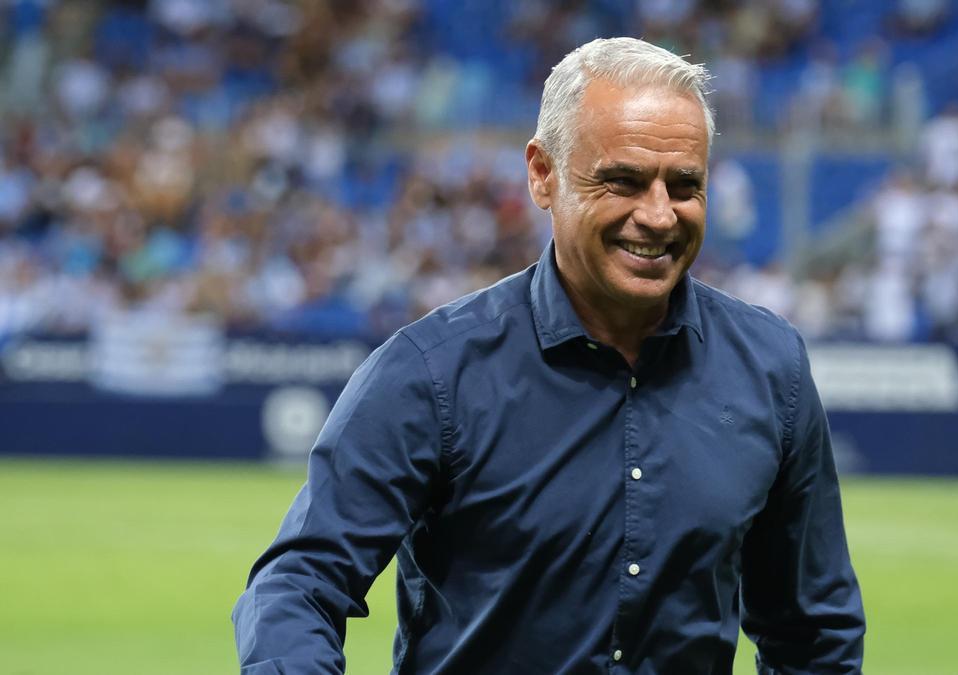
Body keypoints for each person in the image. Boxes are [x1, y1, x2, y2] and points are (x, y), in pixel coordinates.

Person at [233, 37, 865, 674]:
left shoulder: (770, 369)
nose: (658, 214)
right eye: (621, 181)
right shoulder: (431, 373)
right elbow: (299, 586)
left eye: (684, 185)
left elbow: (812, 633)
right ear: (542, 173)